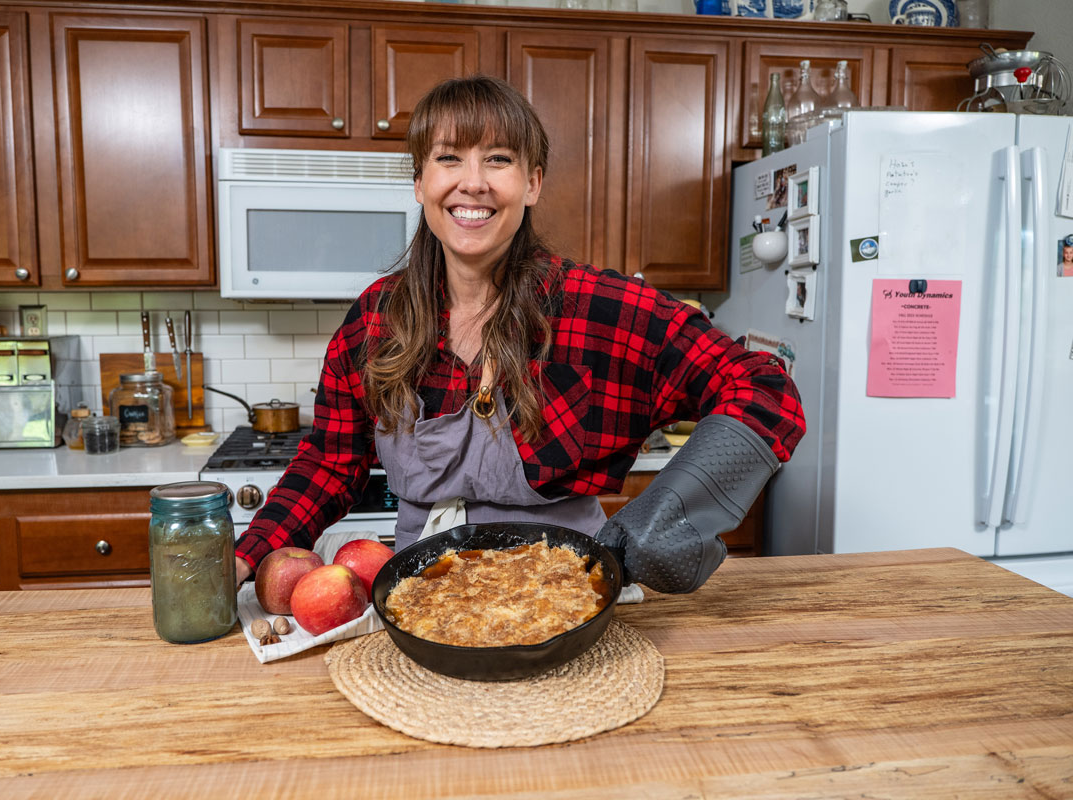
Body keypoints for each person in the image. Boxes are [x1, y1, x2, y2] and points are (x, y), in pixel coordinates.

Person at [234, 76, 806, 594]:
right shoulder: (374, 323)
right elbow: (329, 465)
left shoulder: (599, 310)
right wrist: (244, 558)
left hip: (566, 598)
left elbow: (764, 389)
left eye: (499, 160)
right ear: (419, 181)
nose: (473, 183)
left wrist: (670, 506)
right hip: (420, 601)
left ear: (532, 184)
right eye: (449, 158)